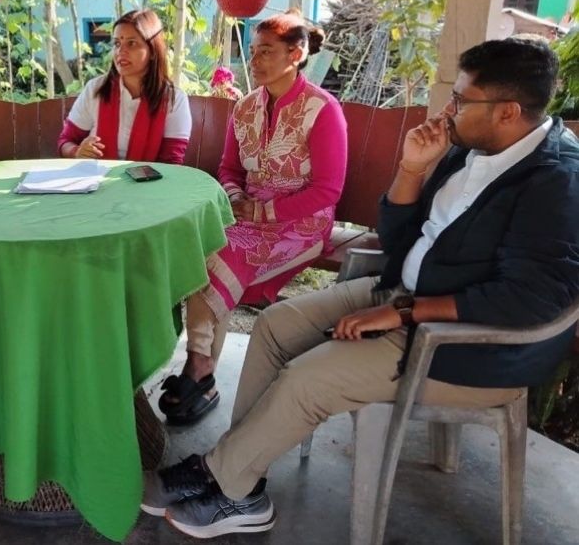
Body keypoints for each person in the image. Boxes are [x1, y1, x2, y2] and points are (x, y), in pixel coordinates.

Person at [141, 36, 579, 537]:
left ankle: (224, 481)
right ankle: (239, 479)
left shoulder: (557, 181)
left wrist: (405, 312)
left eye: (461, 100)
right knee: (275, 326)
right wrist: (412, 169)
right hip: (405, 291)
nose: (448, 110)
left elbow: (531, 299)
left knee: (307, 379)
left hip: (464, 345)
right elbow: (398, 238)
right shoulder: (472, 149)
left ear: (508, 111)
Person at [158, 11, 347, 426]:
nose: (256, 60)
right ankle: (200, 369)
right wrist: (236, 196)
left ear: (296, 54)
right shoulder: (245, 107)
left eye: (267, 52)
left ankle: (197, 367)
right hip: (247, 216)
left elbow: (327, 191)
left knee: (221, 257)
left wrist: (262, 211)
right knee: (201, 248)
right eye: (254, 51)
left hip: (302, 224)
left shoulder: (322, 109)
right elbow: (229, 168)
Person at [57, 9, 192, 164]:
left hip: (151, 178)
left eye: (131, 43)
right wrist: (77, 152)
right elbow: (65, 141)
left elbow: (172, 162)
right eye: (117, 43)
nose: (121, 51)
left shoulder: (174, 99)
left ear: (153, 51)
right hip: (96, 177)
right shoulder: (96, 89)